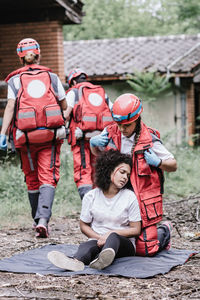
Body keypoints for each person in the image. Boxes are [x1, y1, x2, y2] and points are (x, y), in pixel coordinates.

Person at [89, 93, 177, 256]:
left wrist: (158, 162)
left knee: (145, 250)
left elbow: (173, 165)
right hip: (117, 198)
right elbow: (99, 155)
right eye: (119, 124)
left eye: (127, 125)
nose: (122, 129)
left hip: (141, 201)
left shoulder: (150, 140)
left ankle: (165, 231)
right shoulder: (110, 133)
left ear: (137, 119)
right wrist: (93, 144)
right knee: (110, 243)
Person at [0, 38, 67, 238]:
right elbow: (64, 106)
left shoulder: (14, 80)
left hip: (25, 137)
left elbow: (11, 107)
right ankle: (44, 220)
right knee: (48, 175)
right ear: (39, 54)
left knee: (32, 177)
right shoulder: (52, 77)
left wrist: (2, 134)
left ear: (20, 57)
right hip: (50, 135)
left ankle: (36, 220)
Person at [47, 149, 141, 271]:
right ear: (109, 169)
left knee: (113, 237)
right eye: (122, 172)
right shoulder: (91, 196)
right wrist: (99, 237)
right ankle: (75, 262)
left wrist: (109, 234)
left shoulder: (129, 196)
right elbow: (84, 225)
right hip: (98, 241)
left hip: (123, 244)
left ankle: (103, 259)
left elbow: (136, 229)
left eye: (128, 175)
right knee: (87, 245)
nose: (125, 177)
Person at [64, 68, 113, 200]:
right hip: (101, 138)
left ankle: (88, 202)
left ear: (73, 81)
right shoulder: (100, 91)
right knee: (99, 169)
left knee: (83, 170)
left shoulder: (73, 92)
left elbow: (66, 114)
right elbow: (113, 110)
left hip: (81, 138)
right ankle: (102, 201)